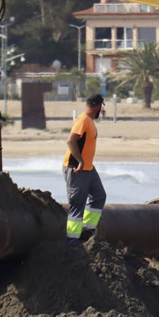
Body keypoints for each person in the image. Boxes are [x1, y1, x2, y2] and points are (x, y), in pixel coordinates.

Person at [64, 93, 106, 243]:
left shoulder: (89, 121)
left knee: (99, 196)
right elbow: (70, 141)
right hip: (77, 168)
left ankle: (87, 231)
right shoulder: (83, 120)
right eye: (101, 107)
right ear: (98, 106)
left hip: (88, 168)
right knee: (77, 204)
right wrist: (79, 161)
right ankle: (72, 240)